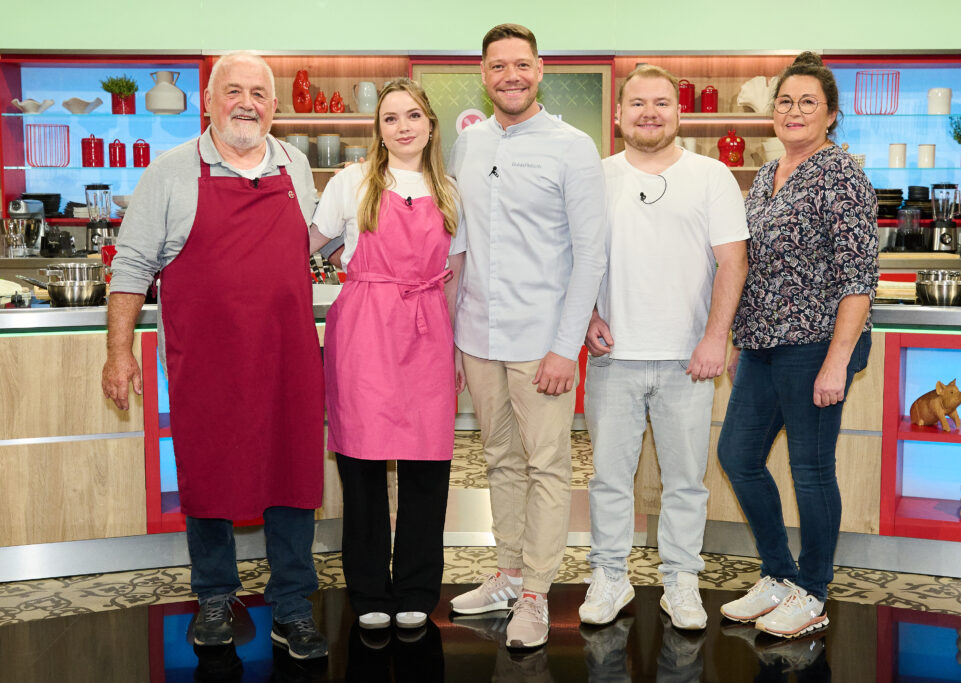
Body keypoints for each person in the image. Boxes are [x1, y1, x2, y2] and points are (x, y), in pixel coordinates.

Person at [101, 51, 328, 660]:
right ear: (208, 100)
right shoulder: (173, 171)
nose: (246, 103)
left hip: (286, 357)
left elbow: (309, 249)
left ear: (274, 107)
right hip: (209, 361)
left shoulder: (296, 165)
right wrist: (119, 351)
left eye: (258, 92)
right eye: (233, 90)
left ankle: (292, 604)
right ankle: (213, 595)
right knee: (207, 471)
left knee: (292, 473)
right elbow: (130, 268)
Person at [447, 23, 607, 649]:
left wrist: (566, 346)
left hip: (544, 342)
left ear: (540, 70)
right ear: (483, 75)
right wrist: (456, 337)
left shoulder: (572, 147)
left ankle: (538, 594)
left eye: (521, 64)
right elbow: (460, 246)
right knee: (500, 461)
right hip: (480, 336)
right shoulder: (468, 144)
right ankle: (507, 574)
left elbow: (590, 255)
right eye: (497, 66)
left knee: (547, 466)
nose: (509, 76)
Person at [578, 66, 749, 630]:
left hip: (688, 360)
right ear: (620, 113)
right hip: (613, 357)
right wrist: (588, 317)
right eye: (637, 103)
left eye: (661, 103)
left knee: (685, 482)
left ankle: (681, 581)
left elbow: (732, 261)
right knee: (607, 479)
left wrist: (714, 337)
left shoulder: (712, 176)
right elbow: (575, 260)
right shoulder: (594, 176)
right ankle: (610, 576)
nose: (649, 112)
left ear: (679, 113)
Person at [716, 52, 878, 638]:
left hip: (815, 345)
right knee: (737, 456)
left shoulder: (842, 174)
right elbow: (753, 266)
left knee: (810, 470)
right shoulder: (766, 173)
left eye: (808, 102)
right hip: (762, 344)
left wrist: (838, 359)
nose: (793, 110)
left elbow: (860, 276)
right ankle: (778, 574)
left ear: (831, 115)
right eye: (785, 101)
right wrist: (741, 338)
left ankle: (813, 588)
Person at [308, 78, 466, 634]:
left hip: (428, 330)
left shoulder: (449, 188)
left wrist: (459, 349)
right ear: (378, 129)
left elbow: (456, 277)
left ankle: (419, 587)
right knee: (363, 466)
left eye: (413, 116)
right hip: (365, 330)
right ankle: (370, 588)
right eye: (391, 118)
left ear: (430, 125)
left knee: (428, 467)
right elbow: (310, 247)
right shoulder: (350, 182)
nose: (403, 127)